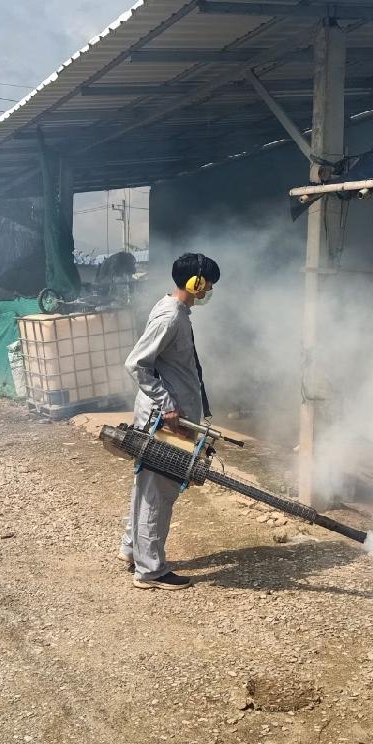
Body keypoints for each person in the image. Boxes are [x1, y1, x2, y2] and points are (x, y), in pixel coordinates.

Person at [118, 252, 220, 590]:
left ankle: (132, 549)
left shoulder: (175, 311)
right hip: (164, 420)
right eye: (208, 283)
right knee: (158, 492)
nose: (209, 289)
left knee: (148, 486)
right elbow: (136, 364)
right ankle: (150, 570)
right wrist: (168, 406)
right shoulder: (171, 316)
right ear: (196, 282)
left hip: (167, 416)